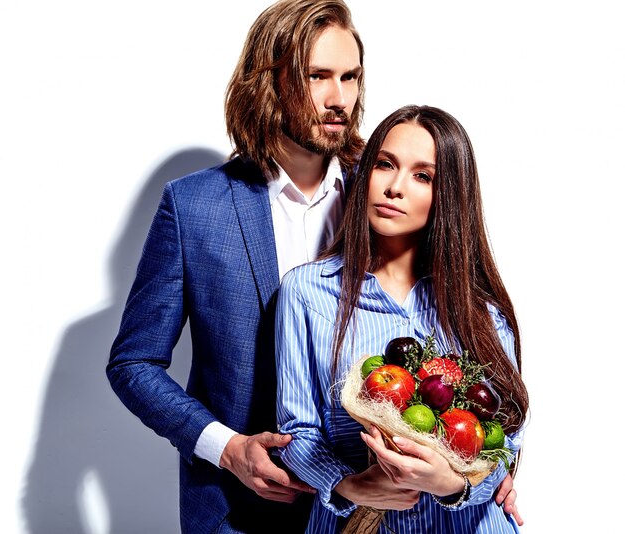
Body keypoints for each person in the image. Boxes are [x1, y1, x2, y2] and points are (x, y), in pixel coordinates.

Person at [107, 0, 521, 530]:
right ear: (270, 81)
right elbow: (134, 364)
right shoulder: (194, 207)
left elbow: (473, 329)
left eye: (351, 77)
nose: (340, 98)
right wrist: (227, 447)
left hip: (390, 507)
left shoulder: (386, 184)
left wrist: (487, 467)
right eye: (317, 76)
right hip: (243, 504)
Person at [275, 104, 530, 532]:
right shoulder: (307, 292)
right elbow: (297, 430)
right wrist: (349, 485)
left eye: (421, 176)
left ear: (448, 195)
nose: (394, 187)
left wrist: (452, 484)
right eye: (385, 165)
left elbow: (507, 440)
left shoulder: (480, 311)